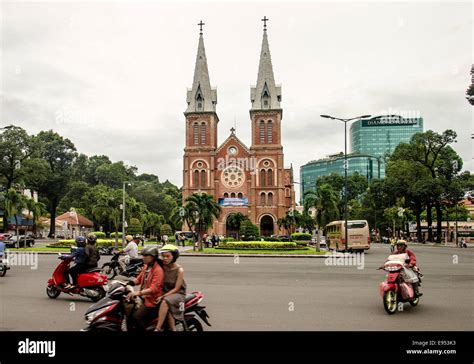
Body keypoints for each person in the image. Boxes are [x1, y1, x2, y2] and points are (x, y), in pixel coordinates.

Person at [126, 246, 164, 331]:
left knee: (136, 317)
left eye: (146, 255)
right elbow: (139, 279)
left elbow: (154, 288)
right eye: (143, 255)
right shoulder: (146, 267)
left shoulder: (158, 270)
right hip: (143, 297)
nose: (143, 257)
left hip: (152, 300)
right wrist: (129, 283)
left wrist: (138, 293)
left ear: (153, 257)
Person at [154, 244, 186, 331]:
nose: (165, 258)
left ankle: (157, 328)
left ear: (174, 256)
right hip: (165, 292)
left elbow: (176, 288)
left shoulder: (179, 270)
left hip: (177, 293)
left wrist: (162, 296)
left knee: (165, 301)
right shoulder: (162, 267)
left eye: (168, 256)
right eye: (163, 256)